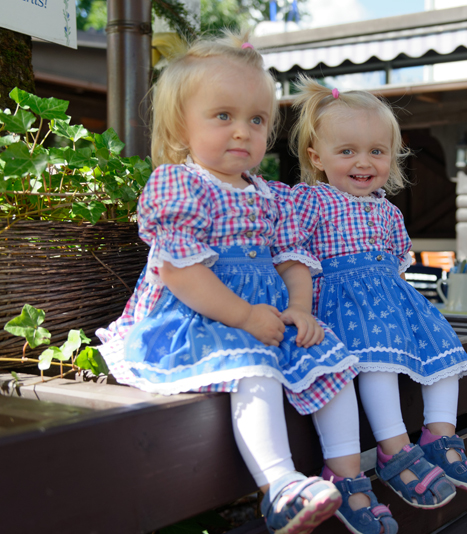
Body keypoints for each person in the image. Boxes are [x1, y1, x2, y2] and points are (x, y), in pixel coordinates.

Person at [96, 33, 397, 534]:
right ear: (179, 126)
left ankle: (345, 475)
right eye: (223, 117)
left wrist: (301, 308)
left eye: (256, 120)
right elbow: (179, 270)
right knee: (254, 371)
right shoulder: (182, 184)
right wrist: (244, 316)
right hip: (201, 317)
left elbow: (292, 260)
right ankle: (279, 486)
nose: (242, 132)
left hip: (268, 317)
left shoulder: (271, 197)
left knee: (334, 365)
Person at [285, 76, 467, 513]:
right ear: (316, 157)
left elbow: (395, 265)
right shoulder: (311, 200)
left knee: (444, 355)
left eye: (376, 151)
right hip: (343, 305)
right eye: (348, 151)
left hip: (392, 303)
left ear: (392, 157)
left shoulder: (388, 211)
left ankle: (440, 434)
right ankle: (394, 449)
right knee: (379, 363)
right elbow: (293, 255)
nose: (364, 162)